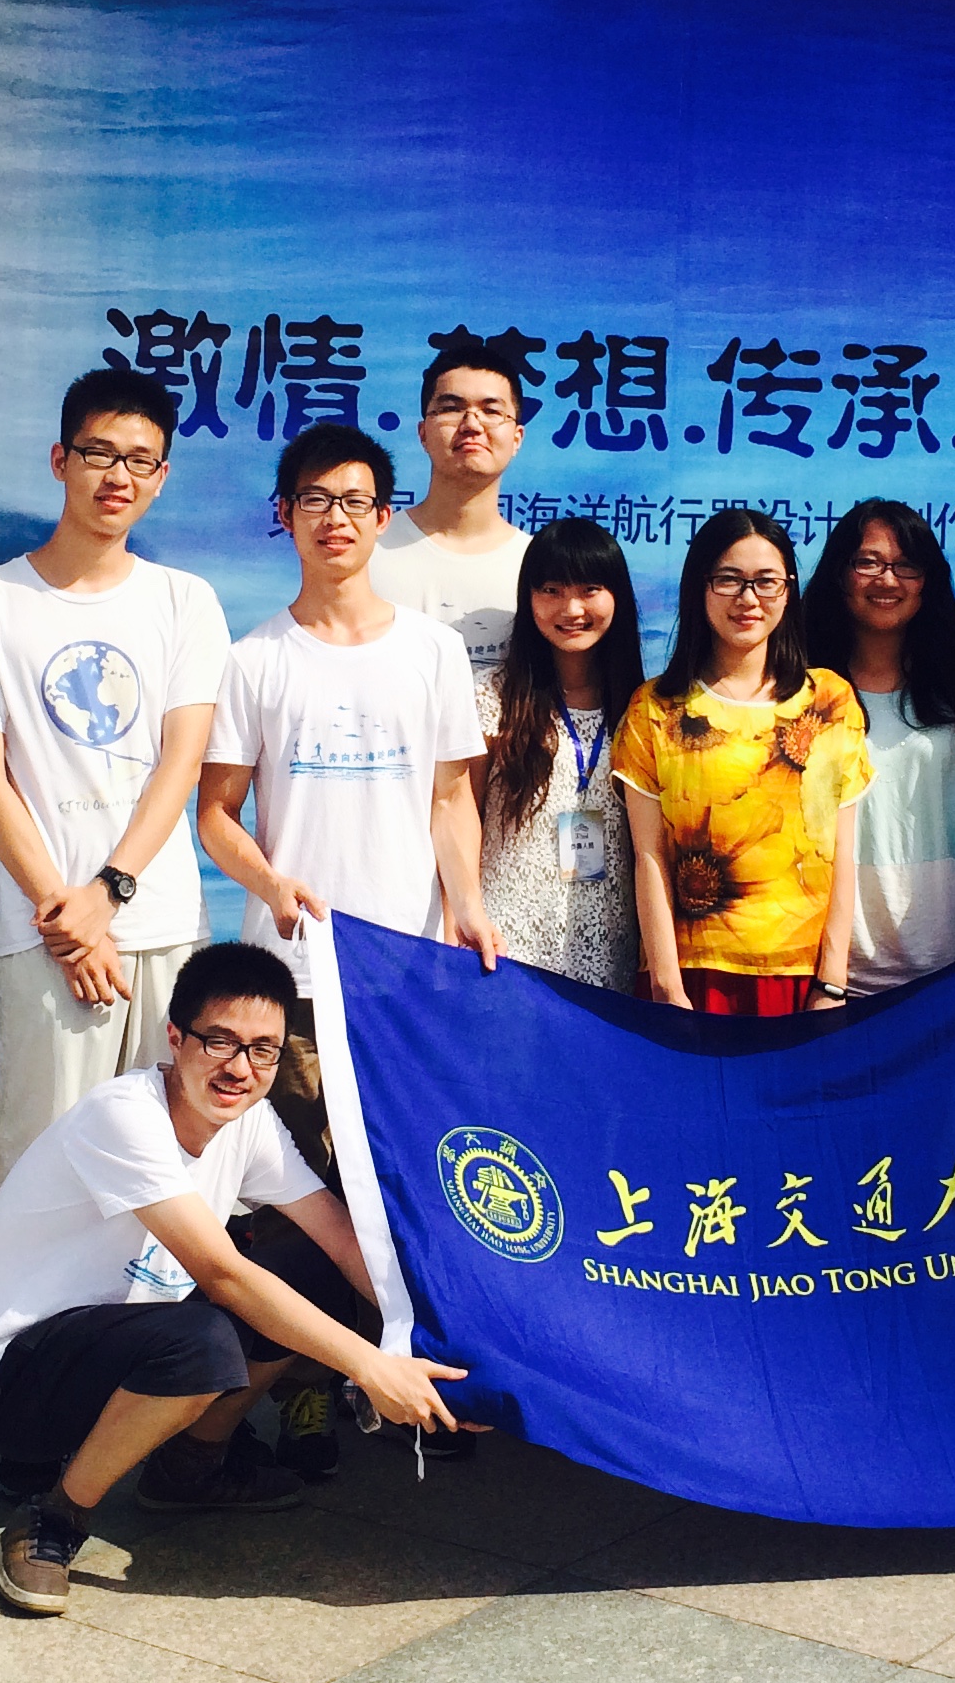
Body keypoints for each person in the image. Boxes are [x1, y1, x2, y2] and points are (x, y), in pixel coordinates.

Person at [0, 943, 470, 1616]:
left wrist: (447, 1356)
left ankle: (190, 1467)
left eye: (263, 1050)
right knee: (202, 1340)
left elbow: (340, 1237)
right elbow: (222, 1275)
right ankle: (57, 1515)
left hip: (123, 1346)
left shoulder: (250, 1121)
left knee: (311, 1269)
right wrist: (371, 1368)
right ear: (175, 1038)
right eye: (219, 1041)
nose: (240, 1068)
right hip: (14, 1382)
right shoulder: (123, 1115)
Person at [0, 369, 228, 1189]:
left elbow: (181, 762)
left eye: (140, 460)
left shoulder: (185, 601)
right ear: (61, 460)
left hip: (162, 924)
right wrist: (68, 914)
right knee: (45, 1168)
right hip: (43, 932)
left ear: (161, 477)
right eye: (99, 453)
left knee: (169, 1165)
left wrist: (109, 893)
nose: (118, 475)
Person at [201, 418, 498, 1181]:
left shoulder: (433, 650)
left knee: (406, 1179)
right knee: (295, 1187)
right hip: (293, 972)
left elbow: (450, 799)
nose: (335, 518)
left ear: (383, 517)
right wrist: (271, 885)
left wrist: (466, 905)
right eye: (315, 500)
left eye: (354, 502)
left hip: (405, 964)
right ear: (285, 513)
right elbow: (215, 814)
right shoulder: (252, 659)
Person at [613, 508, 874, 1022]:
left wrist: (832, 982)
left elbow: (841, 854)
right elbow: (648, 857)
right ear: (700, 588)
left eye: (766, 581)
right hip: (692, 975)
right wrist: (667, 986)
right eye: (729, 579)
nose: (748, 599)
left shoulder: (828, 702)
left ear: (789, 590)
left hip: (801, 978)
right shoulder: (656, 708)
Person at [800, 499, 955, 992]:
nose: (887, 580)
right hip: (830, 965)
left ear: (928, 581)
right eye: (868, 563)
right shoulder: (799, 688)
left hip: (951, 955)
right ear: (840, 574)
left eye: (906, 566)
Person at [472, 517, 645, 991]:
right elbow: (459, 817)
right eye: (551, 590)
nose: (571, 609)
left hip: (613, 954)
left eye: (590, 589)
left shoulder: (643, 707)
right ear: (528, 599)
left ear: (616, 596)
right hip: (507, 947)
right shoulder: (492, 699)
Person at [373, 340, 534, 675]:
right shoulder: (370, 549)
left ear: (517, 438)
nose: (472, 424)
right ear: (423, 433)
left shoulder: (537, 566)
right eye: (451, 408)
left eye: (491, 411)